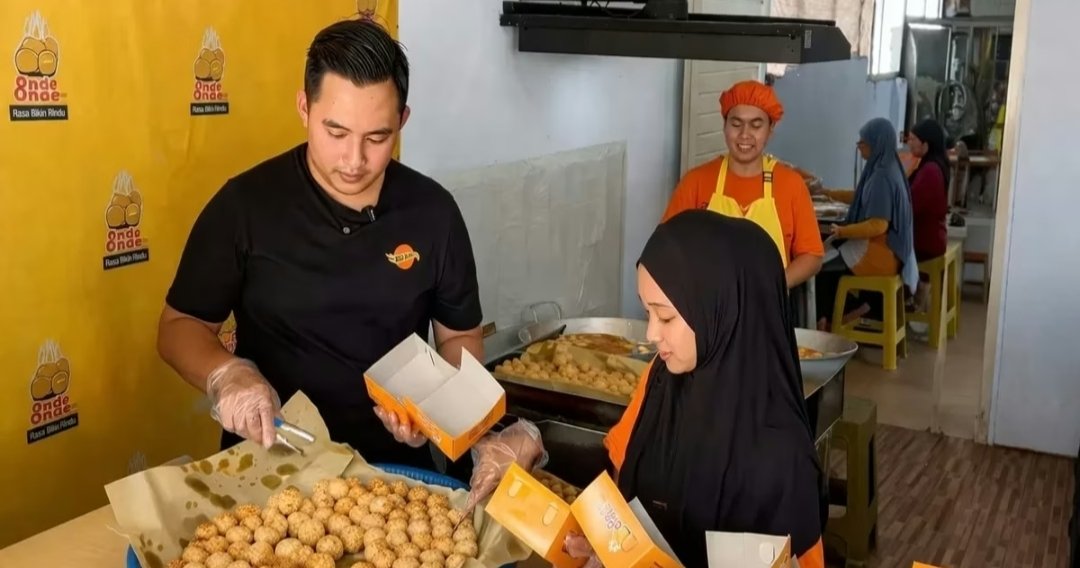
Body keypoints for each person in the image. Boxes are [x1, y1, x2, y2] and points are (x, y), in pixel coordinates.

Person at [156, 18, 483, 472]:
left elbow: (460, 336)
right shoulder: (245, 206)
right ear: (304, 109)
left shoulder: (434, 213)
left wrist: (440, 406)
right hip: (267, 467)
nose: (354, 160)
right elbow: (179, 326)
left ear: (402, 121)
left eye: (378, 138)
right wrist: (227, 375)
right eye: (336, 133)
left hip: (393, 474)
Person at [470, 210, 827, 568]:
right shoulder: (663, 380)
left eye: (666, 316)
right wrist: (534, 445)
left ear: (721, 311)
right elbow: (619, 472)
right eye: (648, 314)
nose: (652, 334)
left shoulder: (782, 461)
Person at [660, 80, 823, 289]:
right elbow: (666, 246)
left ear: (770, 129)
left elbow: (812, 255)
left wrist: (773, 286)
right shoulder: (696, 181)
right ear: (725, 126)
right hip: (706, 304)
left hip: (768, 304)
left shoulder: (791, 185)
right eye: (736, 124)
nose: (745, 134)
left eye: (756, 125)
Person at [815, 117, 918, 329]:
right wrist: (827, 193)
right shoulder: (887, 166)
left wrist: (843, 231)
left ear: (875, 143)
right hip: (888, 250)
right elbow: (861, 197)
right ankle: (837, 315)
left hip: (878, 253)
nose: (859, 146)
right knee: (828, 257)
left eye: (862, 142)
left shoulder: (882, 176)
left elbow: (879, 225)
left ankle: (843, 314)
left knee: (819, 267)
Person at [906, 119, 950, 263]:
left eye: (913, 139)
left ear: (925, 144)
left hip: (924, 244)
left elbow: (910, 205)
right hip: (932, 239)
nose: (909, 143)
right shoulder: (932, 165)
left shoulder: (930, 170)